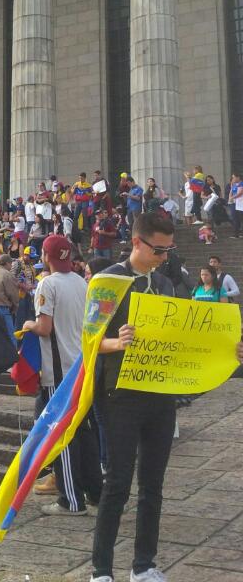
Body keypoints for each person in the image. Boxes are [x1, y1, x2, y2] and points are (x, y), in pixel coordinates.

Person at [89, 212, 243, 582]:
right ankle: (101, 569)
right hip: (120, 394)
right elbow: (89, 342)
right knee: (118, 483)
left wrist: (225, 350)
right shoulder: (107, 280)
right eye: (159, 250)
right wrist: (116, 341)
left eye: (169, 250)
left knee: (153, 484)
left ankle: (143, 564)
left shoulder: (164, 281)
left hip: (160, 393)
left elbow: (184, 334)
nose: (164, 257)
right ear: (137, 242)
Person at [23, 235, 102, 516]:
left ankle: (71, 498)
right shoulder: (81, 281)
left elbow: (45, 328)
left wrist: (29, 324)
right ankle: (96, 492)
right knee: (84, 431)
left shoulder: (47, 284)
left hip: (57, 370)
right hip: (80, 364)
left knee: (59, 434)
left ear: (46, 256)